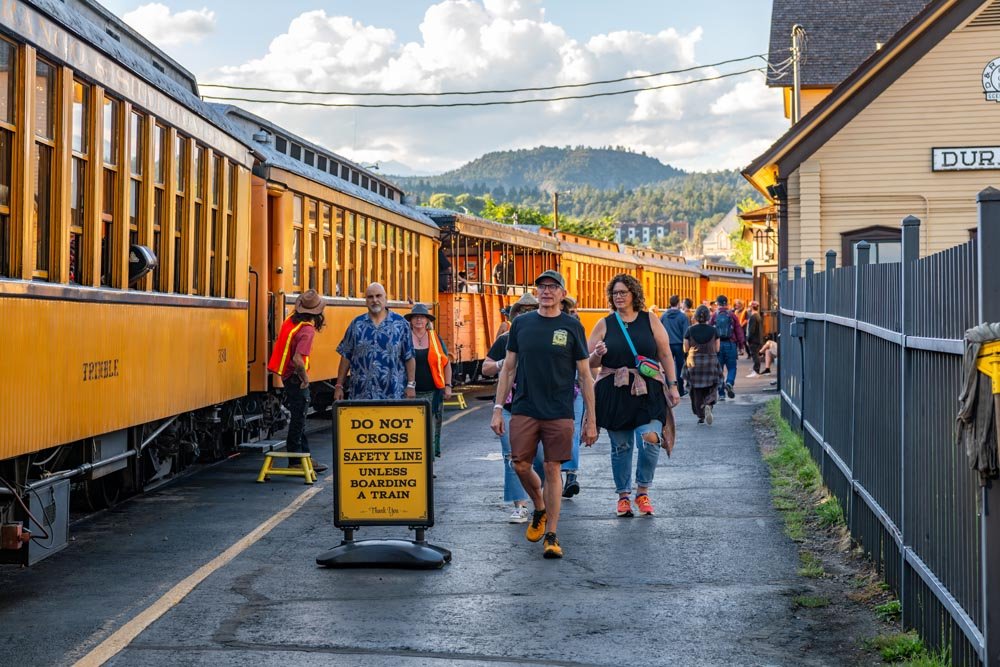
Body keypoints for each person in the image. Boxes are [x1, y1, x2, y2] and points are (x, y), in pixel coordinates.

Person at [491, 270, 598, 559]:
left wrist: (591, 418)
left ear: (562, 294)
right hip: (525, 407)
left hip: (559, 410)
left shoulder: (572, 327)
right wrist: (498, 409)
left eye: (553, 287)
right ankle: (538, 506)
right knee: (520, 465)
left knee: (552, 468)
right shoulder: (521, 325)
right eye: (542, 287)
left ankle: (551, 534)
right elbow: (508, 368)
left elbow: (585, 375)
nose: (546, 291)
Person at [588, 274, 681, 518]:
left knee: (651, 439)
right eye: (615, 293)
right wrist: (598, 354)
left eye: (623, 293)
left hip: (647, 389)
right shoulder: (604, 323)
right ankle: (623, 497)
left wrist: (672, 385)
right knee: (621, 446)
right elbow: (588, 364)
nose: (618, 297)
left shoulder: (650, 319)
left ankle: (642, 490)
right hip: (614, 391)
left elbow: (665, 354)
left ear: (634, 295)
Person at [483, 294, 539, 523]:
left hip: (538, 406)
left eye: (530, 311)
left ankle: (541, 500)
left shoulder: (543, 338)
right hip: (509, 405)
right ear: (514, 316)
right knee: (512, 457)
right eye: (521, 311)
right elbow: (486, 367)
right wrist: (502, 364)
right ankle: (520, 505)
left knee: (541, 458)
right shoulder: (505, 339)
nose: (525, 315)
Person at [266, 289, 329, 473]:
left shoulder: (291, 321)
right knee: (298, 419)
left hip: (285, 375)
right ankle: (296, 459)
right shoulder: (307, 330)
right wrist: (305, 379)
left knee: (299, 416)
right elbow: (298, 360)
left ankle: (305, 457)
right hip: (295, 378)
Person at [334, 282, 416, 401]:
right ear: (366, 301)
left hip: (393, 394)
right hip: (361, 395)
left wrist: (410, 385)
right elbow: (346, 356)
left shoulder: (400, 324)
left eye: (378, 296)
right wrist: (339, 386)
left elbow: (409, 356)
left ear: (385, 299)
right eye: (370, 297)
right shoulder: (356, 325)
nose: (375, 300)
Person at [406, 303, 453, 458]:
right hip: (411, 393)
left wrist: (448, 386)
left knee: (431, 430)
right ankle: (416, 464)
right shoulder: (405, 338)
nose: (419, 319)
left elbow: (446, 363)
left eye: (422, 317)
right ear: (411, 320)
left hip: (434, 392)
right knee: (413, 431)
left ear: (427, 320)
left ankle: (429, 466)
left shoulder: (435, 338)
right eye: (415, 317)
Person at [560, 295, 585, 499]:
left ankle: (570, 475)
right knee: (570, 432)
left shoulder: (573, 327)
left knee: (571, 432)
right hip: (571, 388)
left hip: (572, 388)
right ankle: (567, 475)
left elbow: (584, 367)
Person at [684, 305, 722, 425]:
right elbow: (717, 348)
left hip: (694, 363)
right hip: (710, 362)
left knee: (696, 390)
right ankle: (709, 404)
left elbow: (685, 348)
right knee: (712, 386)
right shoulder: (714, 330)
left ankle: (700, 415)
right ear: (708, 316)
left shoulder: (689, 330)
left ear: (696, 316)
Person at [711, 294, 744, 401]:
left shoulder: (714, 316)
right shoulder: (732, 315)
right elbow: (738, 331)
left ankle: (721, 394)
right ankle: (729, 382)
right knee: (732, 367)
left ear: (717, 303)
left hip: (718, 345)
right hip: (731, 345)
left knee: (719, 370)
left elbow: (710, 331)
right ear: (727, 303)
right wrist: (741, 345)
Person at [660, 295, 690, 397]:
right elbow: (686, 333)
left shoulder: (664, 316)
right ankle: (680, 390)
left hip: (666, 345)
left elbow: (660, 331)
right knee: (680, 368)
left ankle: (669, 389)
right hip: (679, 345)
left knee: (668, 367)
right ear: (678, 303)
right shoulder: (683, 317)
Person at [745, 301, 764, 377]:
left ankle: (756, 371)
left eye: (750, 306)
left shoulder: (753, 317)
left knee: (755, 355)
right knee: (756, 355)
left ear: (752, 307)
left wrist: (748, 339)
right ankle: (756, 370)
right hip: (758, 339)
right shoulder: (758, 316)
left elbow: (751, 330)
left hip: (754, 339)